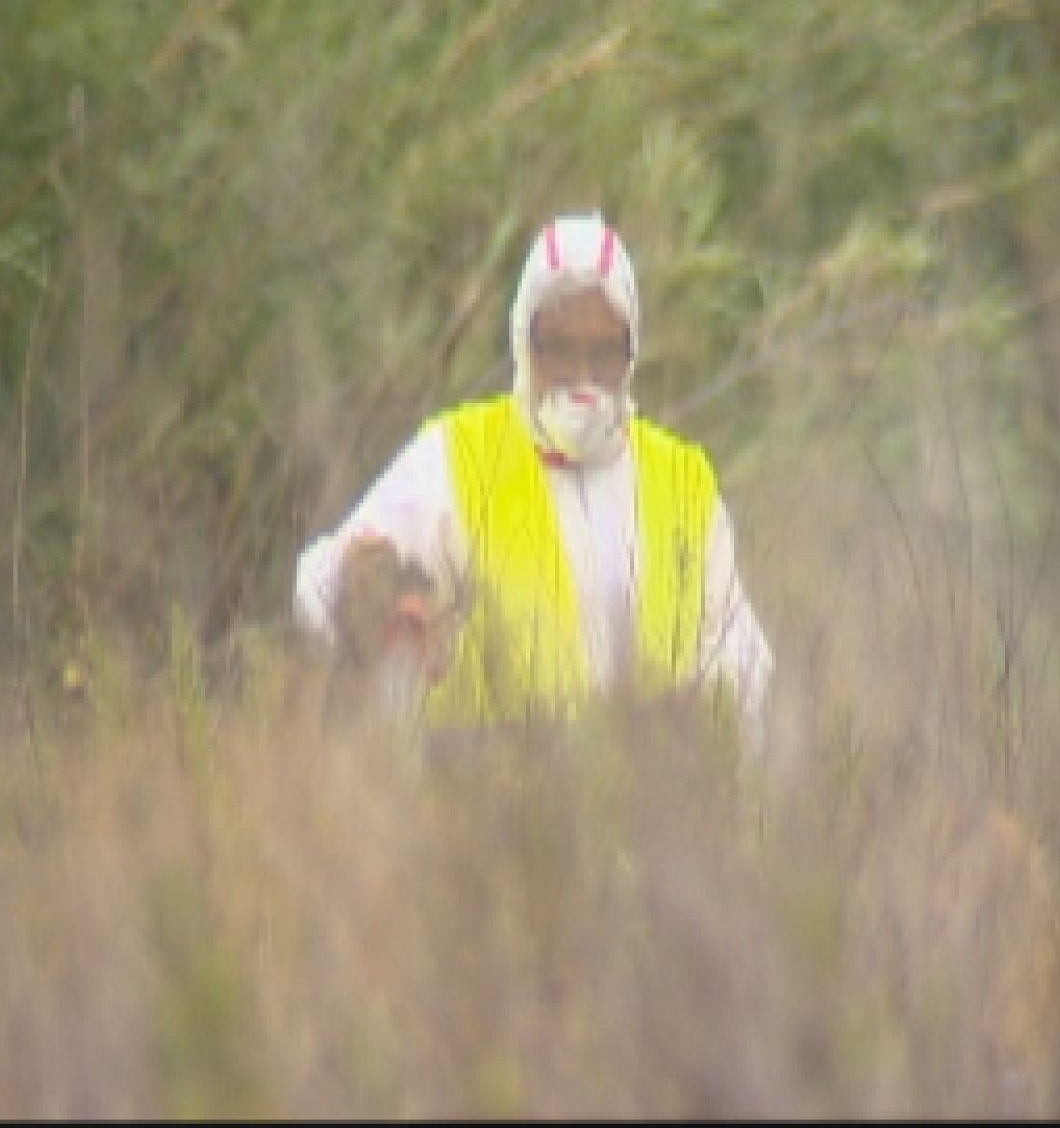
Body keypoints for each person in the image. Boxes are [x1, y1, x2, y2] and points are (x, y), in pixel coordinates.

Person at [293, 211, 773, 753]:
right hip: (481, 796)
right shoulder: (456, 459)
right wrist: (366, 595)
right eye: (558, 347)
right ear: (525, 341)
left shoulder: (683, 481)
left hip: (647, 800)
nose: (581, 375)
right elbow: (320, 585)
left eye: (603, 352)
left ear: (631, 352)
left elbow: (742, 668)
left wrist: (706, 730)